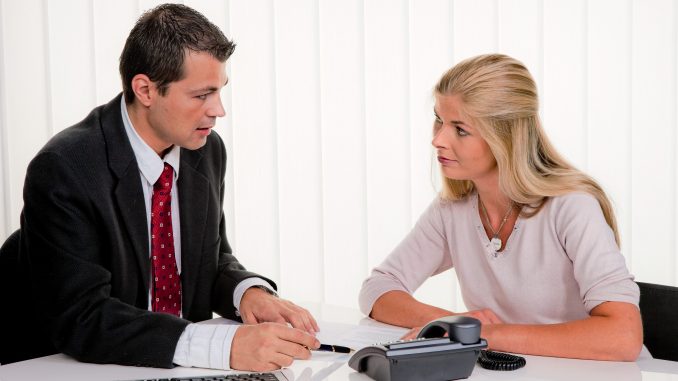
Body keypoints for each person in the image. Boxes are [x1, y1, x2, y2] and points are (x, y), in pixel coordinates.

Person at [6, 3, 320, 371]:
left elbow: (208, 259)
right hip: (62, 367)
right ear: (146, 90)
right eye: (201, 95)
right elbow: (83, 317)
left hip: (168, 367)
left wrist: (247, 292)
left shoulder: (204, 150)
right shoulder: (66, 168)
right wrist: (219, 347)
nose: (218, 110)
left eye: (220, 91)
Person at [358, 54, 643, 361]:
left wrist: (486, 334)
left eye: (460, 129)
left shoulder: (572, 207)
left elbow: (623, 337)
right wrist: (453, 324)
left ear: (506, 137)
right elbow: (378, 289)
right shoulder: (452, 209)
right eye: (439, 120)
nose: (438, 139)